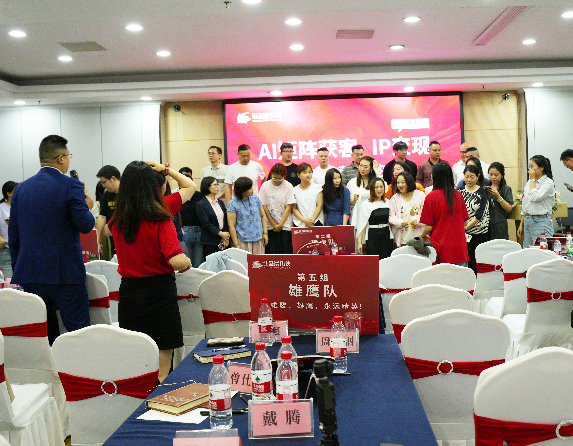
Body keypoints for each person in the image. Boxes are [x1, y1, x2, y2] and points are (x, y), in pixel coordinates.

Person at [103, 160, 193, 383]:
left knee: (137, 366)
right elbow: (177, 260)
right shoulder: (160, 218)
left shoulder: (118, 220)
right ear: (154, 187)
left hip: (129, 294)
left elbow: (105, 231)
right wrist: (187, 263)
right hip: (159, 293)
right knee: (161, 371)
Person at [9, 135, 95, 344]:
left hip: (31, 273)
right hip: (65, 272)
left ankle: (50, 365)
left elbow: (14, 236)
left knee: (43, 333)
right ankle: (77, 365)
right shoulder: (71, 185)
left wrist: (19, 269)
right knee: (78, 331)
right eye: (68, 155)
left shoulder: (20, 189)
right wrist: (86, 205)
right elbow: (85, 225)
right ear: (60, 158)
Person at [420, 162, 469, 266]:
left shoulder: (431, 197)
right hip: (459, 248)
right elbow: (465, 223)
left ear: (434, 176)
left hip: (440, 249)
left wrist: (420, 237)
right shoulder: (458, 195)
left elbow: (429, 227)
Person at [517, 155, 555, 248]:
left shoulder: (548, 182)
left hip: (541, 221)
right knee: (528, 251)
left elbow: (535, 197)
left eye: (532, 166)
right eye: (529, 167)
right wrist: (521, 224)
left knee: (541, 251)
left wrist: (533, 179)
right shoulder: (529, 183)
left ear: (541, 168)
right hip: (528, 220)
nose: (529, 169)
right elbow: (525, 203)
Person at [259, 163, 296, 254]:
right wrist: (273, 223)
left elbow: (289, 207)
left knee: (285, 253)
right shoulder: (265, 186)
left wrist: (281, 224)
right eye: (274, 178)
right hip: (269, 225)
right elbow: (264, 206)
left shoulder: (288, 186)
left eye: (280, 179)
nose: (277, 181)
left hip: (285, 225)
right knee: (271, 253)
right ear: (271, 175)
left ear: (284, 176)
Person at [460, 164, 491, 273]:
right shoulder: (459, 192)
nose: (469, 179)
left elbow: (480, 214)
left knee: (476, 260)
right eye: (467, 176)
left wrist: (466, 226)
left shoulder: (482, 192)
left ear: (478, 177)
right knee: (464, 260)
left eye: (472, 177)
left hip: (479, 232)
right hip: (463, 232)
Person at [227, 177, 268, 254]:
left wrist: (265, 233)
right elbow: (231, 226)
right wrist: (236, 245)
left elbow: (263, 216)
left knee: (258, 261)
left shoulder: (255, 198)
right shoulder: (233, 204)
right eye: (250, 188)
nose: (252, 189)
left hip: (258, 239)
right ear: (242, 191)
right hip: (243, 241)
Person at [356, 178, 392, 259]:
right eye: (376, 187)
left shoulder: (388, 202)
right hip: (372, 236)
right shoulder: (365, 205)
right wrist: (359, 242)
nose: (379, 189)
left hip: (386, 235)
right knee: (373, 261)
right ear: (372, 189)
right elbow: (362, 224)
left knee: (387, 261)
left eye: (381, 187)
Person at [196, 176, 230, 259]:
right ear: (207, 186)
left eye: (218, 184)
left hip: (223, 240)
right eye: (215, 185)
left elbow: (225, 220)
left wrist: (225, 236)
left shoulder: (220, 202)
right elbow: (205, 223)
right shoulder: (201, 204)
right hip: (210, 241)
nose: (218, 187)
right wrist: (220, 233)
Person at [389, 171, 426, 246]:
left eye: (403, 182)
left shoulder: (420, 196)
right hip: (401, 240)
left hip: (418, 239)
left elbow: (427, 215)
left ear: (409, 182)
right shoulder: (394, 198)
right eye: (398, 182)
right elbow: (391, 217)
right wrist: (400, 223)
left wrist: (418, 220)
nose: (400, 185)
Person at [180, 173, 205, 267]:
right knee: (188, 263)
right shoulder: (177, 196)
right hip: (185, 231)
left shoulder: (200, 195)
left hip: (199, 231)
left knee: (199, 263)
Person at [96, 165, 121, 257]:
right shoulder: (107, 195)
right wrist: (97, 239)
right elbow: (102, 216)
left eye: (104, 182)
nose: (103, 186)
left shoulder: (128, 193)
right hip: (114, 242)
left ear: (113, 179)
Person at [486, 162, 515, 240]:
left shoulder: (506, 189)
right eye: (491, 174)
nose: (493, 177)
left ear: (502, 175)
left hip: (500, 224)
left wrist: (498, 196)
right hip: (486, 224)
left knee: (501, 245)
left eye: (496, 175)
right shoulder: (485, 188)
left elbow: (509, 209)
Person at [348, 156, 377, 227]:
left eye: (365, 167)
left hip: (372, 218)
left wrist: (376, 170)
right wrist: (354, 200)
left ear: (371, 168)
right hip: (357, 218)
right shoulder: (352, 182)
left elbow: (384, 189)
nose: (362, 169)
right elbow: (349, 204)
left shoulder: (376, 182)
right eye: (360, 166)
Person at [292, 163, 324, 227]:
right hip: (300, 223)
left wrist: (312, 220)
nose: (308, 175)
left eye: (309, 172)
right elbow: (294, 209)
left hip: (316, 221)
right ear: (298, 175)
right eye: (304, 173)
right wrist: (304, 220)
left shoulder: (317, 188)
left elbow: (319, 205)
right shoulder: (294, 190)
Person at [0, 181, 17, 278]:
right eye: (16, 190)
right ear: (9, 194)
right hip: (6, 249)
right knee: (8, 280)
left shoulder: (21, 206)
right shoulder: (1, 208)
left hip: (20, 250)